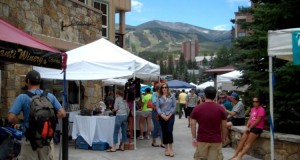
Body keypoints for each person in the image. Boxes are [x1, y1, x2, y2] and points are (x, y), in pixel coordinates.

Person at [7, 70, 66, 160]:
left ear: (28, 82)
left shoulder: (23, 97)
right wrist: (51, 116)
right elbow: (62, 113)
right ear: (39, 82)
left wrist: (20, 122)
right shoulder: (49, 96)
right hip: (45, 139)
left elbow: (11, 117)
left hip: (29, 140)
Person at [190, 86, 228, 160]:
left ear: (205, 95)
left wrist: (194, 138)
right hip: (216, 140)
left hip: (202, 139)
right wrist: (224, 137)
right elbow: (224, 125)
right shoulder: (221, 109)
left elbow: (192, 124)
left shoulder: (197, 108)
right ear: (215, 96)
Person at [156, 83, 176, 157]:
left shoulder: (172, 96)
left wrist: (170, 115)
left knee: (169, 131)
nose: (164, 88)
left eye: (165, 87)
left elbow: (174, 106)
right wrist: (161, 115)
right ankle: (166, 149)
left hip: (170, 116)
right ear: (161, 89)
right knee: (164, 132)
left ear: (167, 88)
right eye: (163, 87)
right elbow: (157, 107)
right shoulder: (159, 97)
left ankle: (171, 149)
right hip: (162, 116)